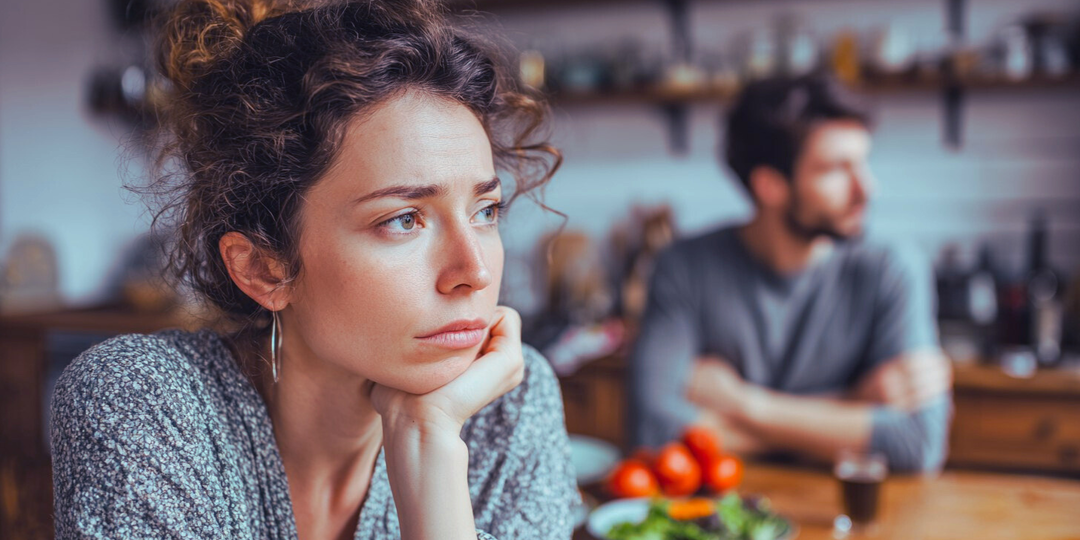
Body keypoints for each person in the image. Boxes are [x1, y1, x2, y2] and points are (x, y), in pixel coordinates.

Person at [50, 1, 578, 539]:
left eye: (485, 212)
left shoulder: (508, 402)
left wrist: (428, 443)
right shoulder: (144, 405)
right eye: (403, 220)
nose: (474, 273)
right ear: (263, 269)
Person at [628, 74, 953, 473]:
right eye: (836, 169)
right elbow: (654, 432)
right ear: (769, 185)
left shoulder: (893, 269)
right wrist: (855, 406)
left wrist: (741, 403)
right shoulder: (683, 267)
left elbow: (917, 445)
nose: (867, 189)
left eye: (863, 162)